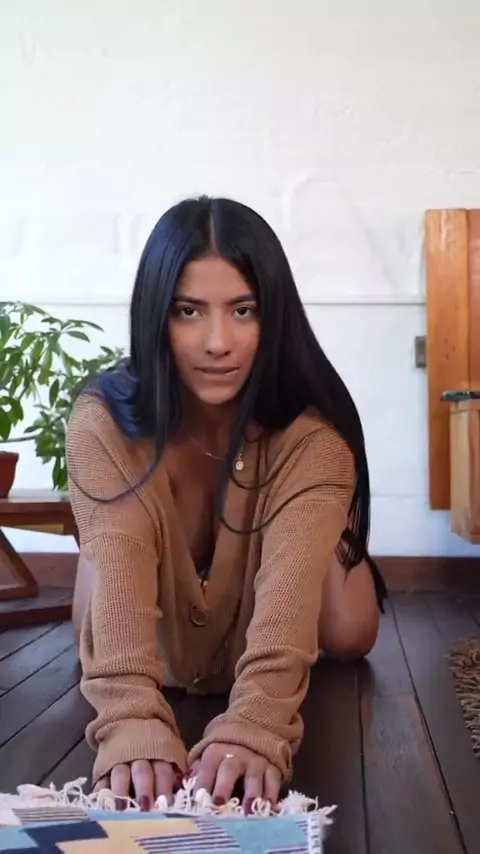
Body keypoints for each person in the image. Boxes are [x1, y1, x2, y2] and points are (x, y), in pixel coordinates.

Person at [67, 195, 386, 814]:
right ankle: (112, 542)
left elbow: (285, 623)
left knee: (350, 631)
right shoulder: (102, 422)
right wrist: (131, 720)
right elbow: (125, 676)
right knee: (106, 619)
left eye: (243, 310)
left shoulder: (315, 437)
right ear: (157, 316)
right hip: (139, 566)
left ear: (274, 317)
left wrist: (256, 723)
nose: (218, 342)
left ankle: (324, 532)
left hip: (289, 529)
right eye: (189, 311)